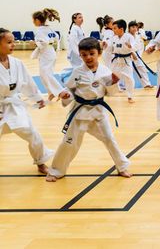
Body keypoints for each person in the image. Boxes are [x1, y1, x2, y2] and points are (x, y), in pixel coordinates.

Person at [46, 37, 132, 182]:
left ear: (98, 53)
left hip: (98, 111)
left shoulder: (105, 71)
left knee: (110, 139)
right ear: (80, 55)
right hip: (80, 112)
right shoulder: (77, 72)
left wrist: (114, 83)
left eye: (91, 54)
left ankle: (122, 167)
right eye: (84, 55)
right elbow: (69, 89)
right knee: (69, 142)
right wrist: (66, 95)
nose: (88, 57)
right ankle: (56, 170)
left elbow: (110, 93)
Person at [0, 28, 52, 174]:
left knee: (32, 132)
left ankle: (41, 162)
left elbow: (27, 82)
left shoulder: (17, 63)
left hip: (14, 105)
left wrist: (37, 98)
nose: (13, 45)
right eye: (9, 42)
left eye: (13, 41)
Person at [32, 8, 64, 101]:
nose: (33, 22)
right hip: (50, 53)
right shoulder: (49, 28)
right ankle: (51, 93)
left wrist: (34, 43)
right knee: (45, 74)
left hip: (46, 54)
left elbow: (42, 44)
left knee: (46, 75)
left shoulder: (39, 31)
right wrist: (50, 42)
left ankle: (60, 91)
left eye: (33, 20)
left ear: (37, 20)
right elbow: (56, 37)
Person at [108, 19, 136, 103]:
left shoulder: (129, 37)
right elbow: (109, 48)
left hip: (126, 61)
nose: (113, 30)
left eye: (115, 28)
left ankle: (130, 96)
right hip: (116, 60)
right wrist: (104, 45)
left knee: (129, 79)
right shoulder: (114, 38)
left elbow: (134, 46)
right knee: (111, 76)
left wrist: (130, 46)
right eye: (113, 28)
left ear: (121, 29)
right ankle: (109, 92)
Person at [128, 21, 154, 89]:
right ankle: (125, 86)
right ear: (129, 28)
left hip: (136, 56)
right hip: (128, 57)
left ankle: (146, 84)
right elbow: (127, 47)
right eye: (133, 27)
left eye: (136, 27)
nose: (134, 28)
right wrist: (132, 53)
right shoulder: (127, 36)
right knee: (127, 73)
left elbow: (138, 47)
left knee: (142, 68)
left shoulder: (137, 36)